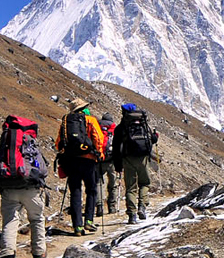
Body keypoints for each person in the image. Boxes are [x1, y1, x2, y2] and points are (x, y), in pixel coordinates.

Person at [0, 115, 50, 258]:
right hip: (30, 188)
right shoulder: (29, 142)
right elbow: (42, 168)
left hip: (8, 188)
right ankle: (38, 253)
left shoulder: (6, 142)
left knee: (10, 222)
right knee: (36, 218)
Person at [55, 98, 106, 236]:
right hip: (89, 160)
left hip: (71, 161)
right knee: (91, 190)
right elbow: (98, 138)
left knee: (75, 193)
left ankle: (77, 227)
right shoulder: (90, 120)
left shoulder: (66, 122)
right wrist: (99, 154)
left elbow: (59, 142)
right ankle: (88, 220)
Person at [112, 102, 158, 224]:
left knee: (131, 188)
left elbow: (116, 148)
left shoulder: (120, 128)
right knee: (145, 183)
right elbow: (151, 140)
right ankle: (142, 206)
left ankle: (132, 215)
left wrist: (117, 165)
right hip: (143, 158)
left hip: (127, 159)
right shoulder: (143, 125)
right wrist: (155, 137)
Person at [96, 112, 119, 217]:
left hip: (99, 160)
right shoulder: (114, 130)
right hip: (112, 161)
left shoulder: (97, 128)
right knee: (113, 184)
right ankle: (112, 206)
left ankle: (99, 206)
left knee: (99, 183)